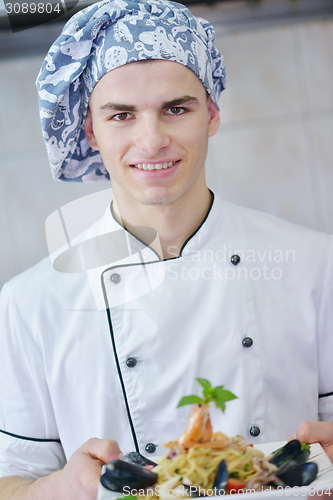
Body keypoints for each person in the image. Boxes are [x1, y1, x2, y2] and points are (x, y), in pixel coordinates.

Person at [0, 0, 333, 498]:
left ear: (212, 115)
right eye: (122, 115)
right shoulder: (30, 304)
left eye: (176, 109)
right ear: (90, 129)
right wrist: (60, 487)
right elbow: (11, 481)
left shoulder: (314, 264)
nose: (151, 140)